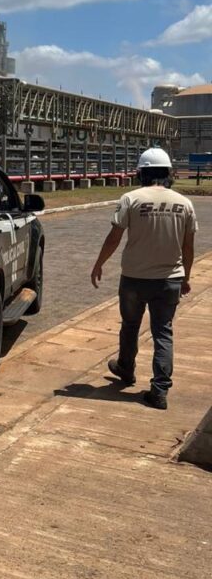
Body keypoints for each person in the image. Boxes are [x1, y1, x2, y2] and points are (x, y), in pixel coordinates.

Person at [90, 147, 197, 410]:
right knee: (163, 333)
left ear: (142, 173)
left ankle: (126, 369)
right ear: (168, 173)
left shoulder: (131, 198)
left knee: (130, 326)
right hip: (169, 279)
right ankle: (159, 390)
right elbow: (188, 247)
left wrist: (99, 263)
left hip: (134, 279)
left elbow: (114, 236)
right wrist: (186, 278)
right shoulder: (184, 203)